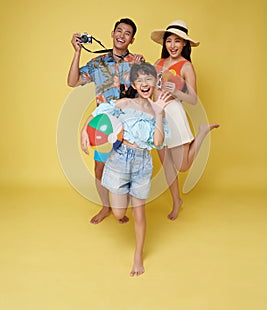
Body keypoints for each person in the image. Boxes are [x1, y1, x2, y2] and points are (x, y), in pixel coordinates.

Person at [81, 62, 171, 276]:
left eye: (148, 78)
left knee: (139, 213)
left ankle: (138, 256)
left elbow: (158, 142)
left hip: (142, 163)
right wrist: (85, 130)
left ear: (155, 82)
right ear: (133, 84)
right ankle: (122, 200)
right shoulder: (124, 103)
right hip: (119, 159)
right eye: (139, 80)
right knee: (119, 212)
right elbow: (100, 112)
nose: (144, 83)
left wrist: (158, 113)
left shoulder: (158, 110)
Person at [67, 18, 144, 224]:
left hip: (129, 124)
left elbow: (147, 94)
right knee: (99, 168)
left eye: (127, 33)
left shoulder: (136, 62)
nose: (121, 35)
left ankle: (121, 208)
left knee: (127, 169)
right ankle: (106, 207)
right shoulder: (98, 63)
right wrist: (77, 53)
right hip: (104, 125)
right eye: (119, 31)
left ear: (132, 39)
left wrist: (141, 69)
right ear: (112, 33)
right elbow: (72, 81)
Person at [150, 20, 219, 220]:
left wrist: (179, 91)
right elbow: (151, 89)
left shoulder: (186, 66)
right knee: (167, 166)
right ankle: (176, 200)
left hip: (175, 114)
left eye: (177, 41)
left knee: (183, 166)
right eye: (169, 41)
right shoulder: (158, 63)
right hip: (158, 115)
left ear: (184, 45)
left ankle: (203, 132)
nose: (172, 45)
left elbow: (194, 99)